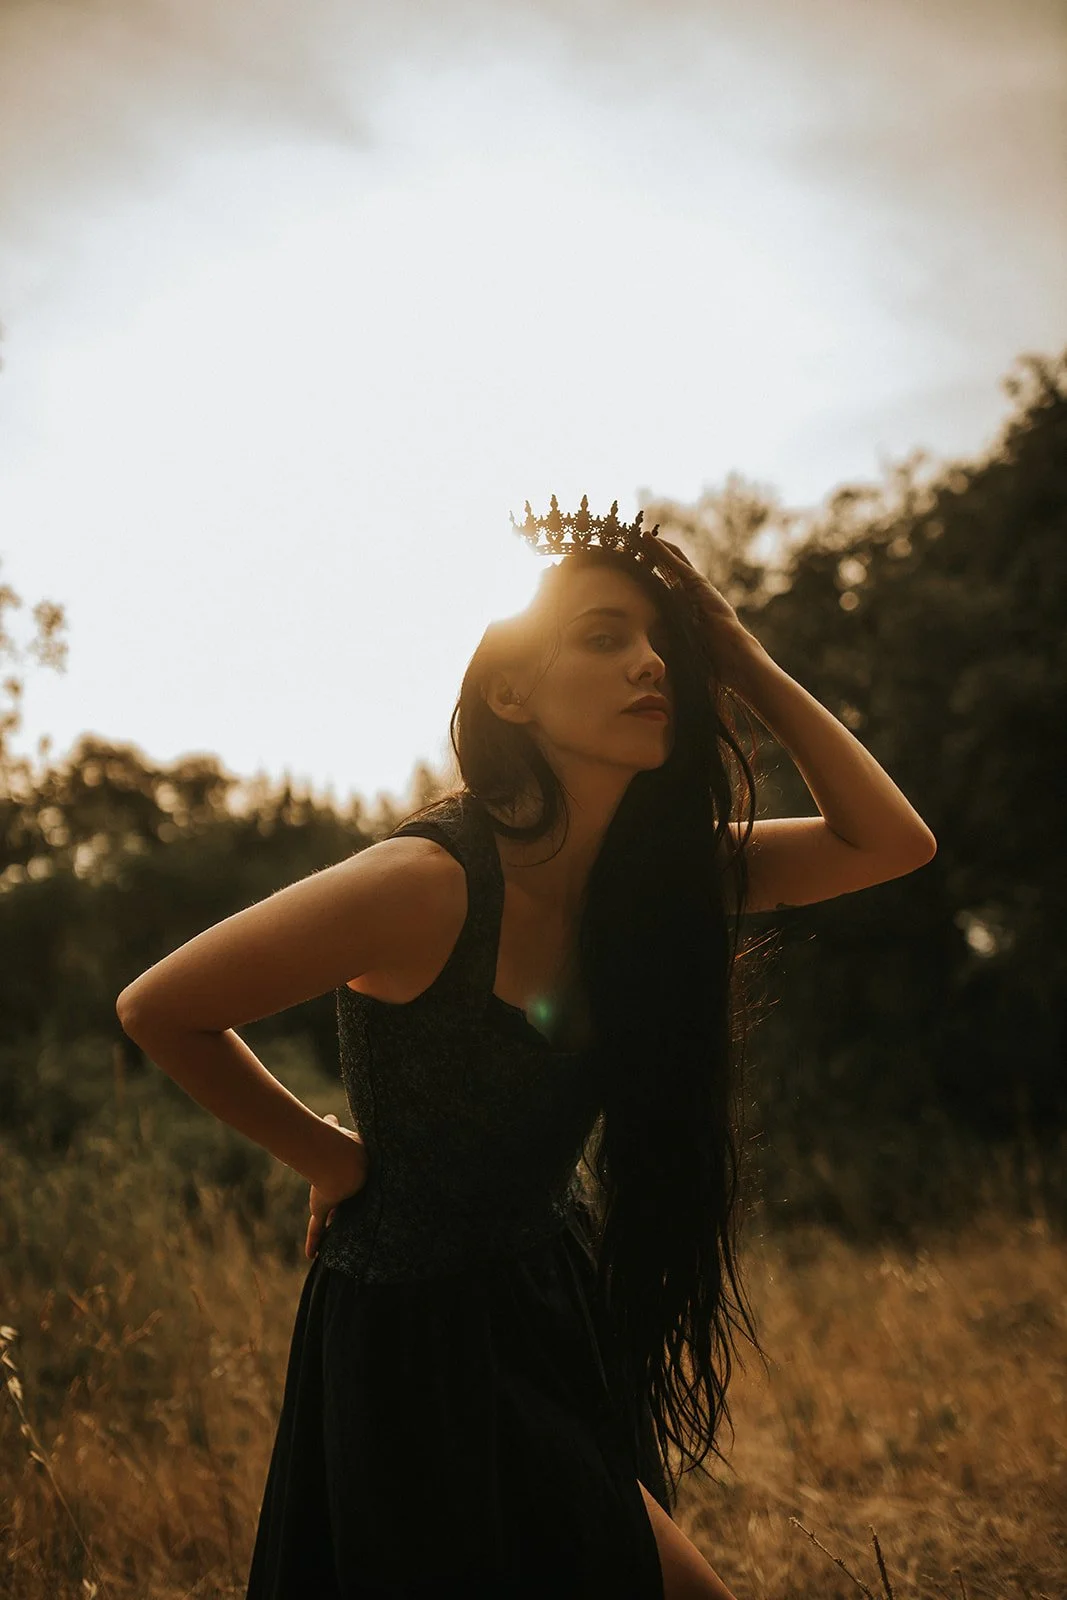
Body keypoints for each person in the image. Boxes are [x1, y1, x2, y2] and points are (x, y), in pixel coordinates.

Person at [116, 506, 936, 1598]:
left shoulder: (657, 883)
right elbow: (161, 1007)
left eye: (660, 642)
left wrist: (738, 652)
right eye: (602, 637)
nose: (650, 662)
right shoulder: (426, 882)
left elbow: (889, 841)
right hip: (417, 1336)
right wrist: (330, 1156)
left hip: (547, 1292)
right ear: (511, 693)